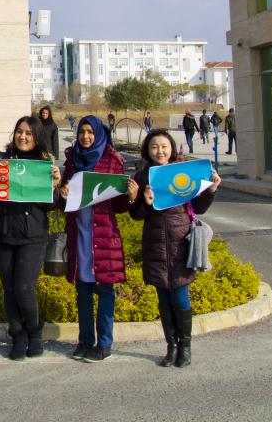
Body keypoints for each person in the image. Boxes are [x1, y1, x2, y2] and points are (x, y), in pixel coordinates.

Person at [129, 129, 222, 368]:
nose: (159, 151)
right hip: (155, 244)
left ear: (171, 148)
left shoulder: (184, 173)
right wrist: (145, 203)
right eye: (154, 147)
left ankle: (186, 347)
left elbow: (199, 208)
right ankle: (171, 347)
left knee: (181, 298)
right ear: (147, 151)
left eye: (164, 146)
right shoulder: (141, 177)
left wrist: (211, 189)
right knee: (163, 299)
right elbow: (136, 215)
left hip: (181, 243)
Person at [0, 116, 60, 360]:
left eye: (28, 133)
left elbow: (50, 207)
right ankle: (17, 335)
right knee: (9, 288)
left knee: (24, 288)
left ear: (37, 137)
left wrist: (54, 186)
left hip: (33, 236)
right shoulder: (1, 160)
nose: (23, 137)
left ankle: (34, 332)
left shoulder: (44, 164)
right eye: (19, 132)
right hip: (2, 233)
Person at [58, 115, 137, 363]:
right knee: (82, 291)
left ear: (100, 134)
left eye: (91, 132)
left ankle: (104, 343)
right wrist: (63, 194)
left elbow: (120, 205)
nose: (86, 137)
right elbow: (66, 202)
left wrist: (131, 196)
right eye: (82, 132)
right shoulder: (72, 160)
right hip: (79, 233)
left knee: (105, 291)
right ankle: (85, 340)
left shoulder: (112, 161)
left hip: (102, 234)